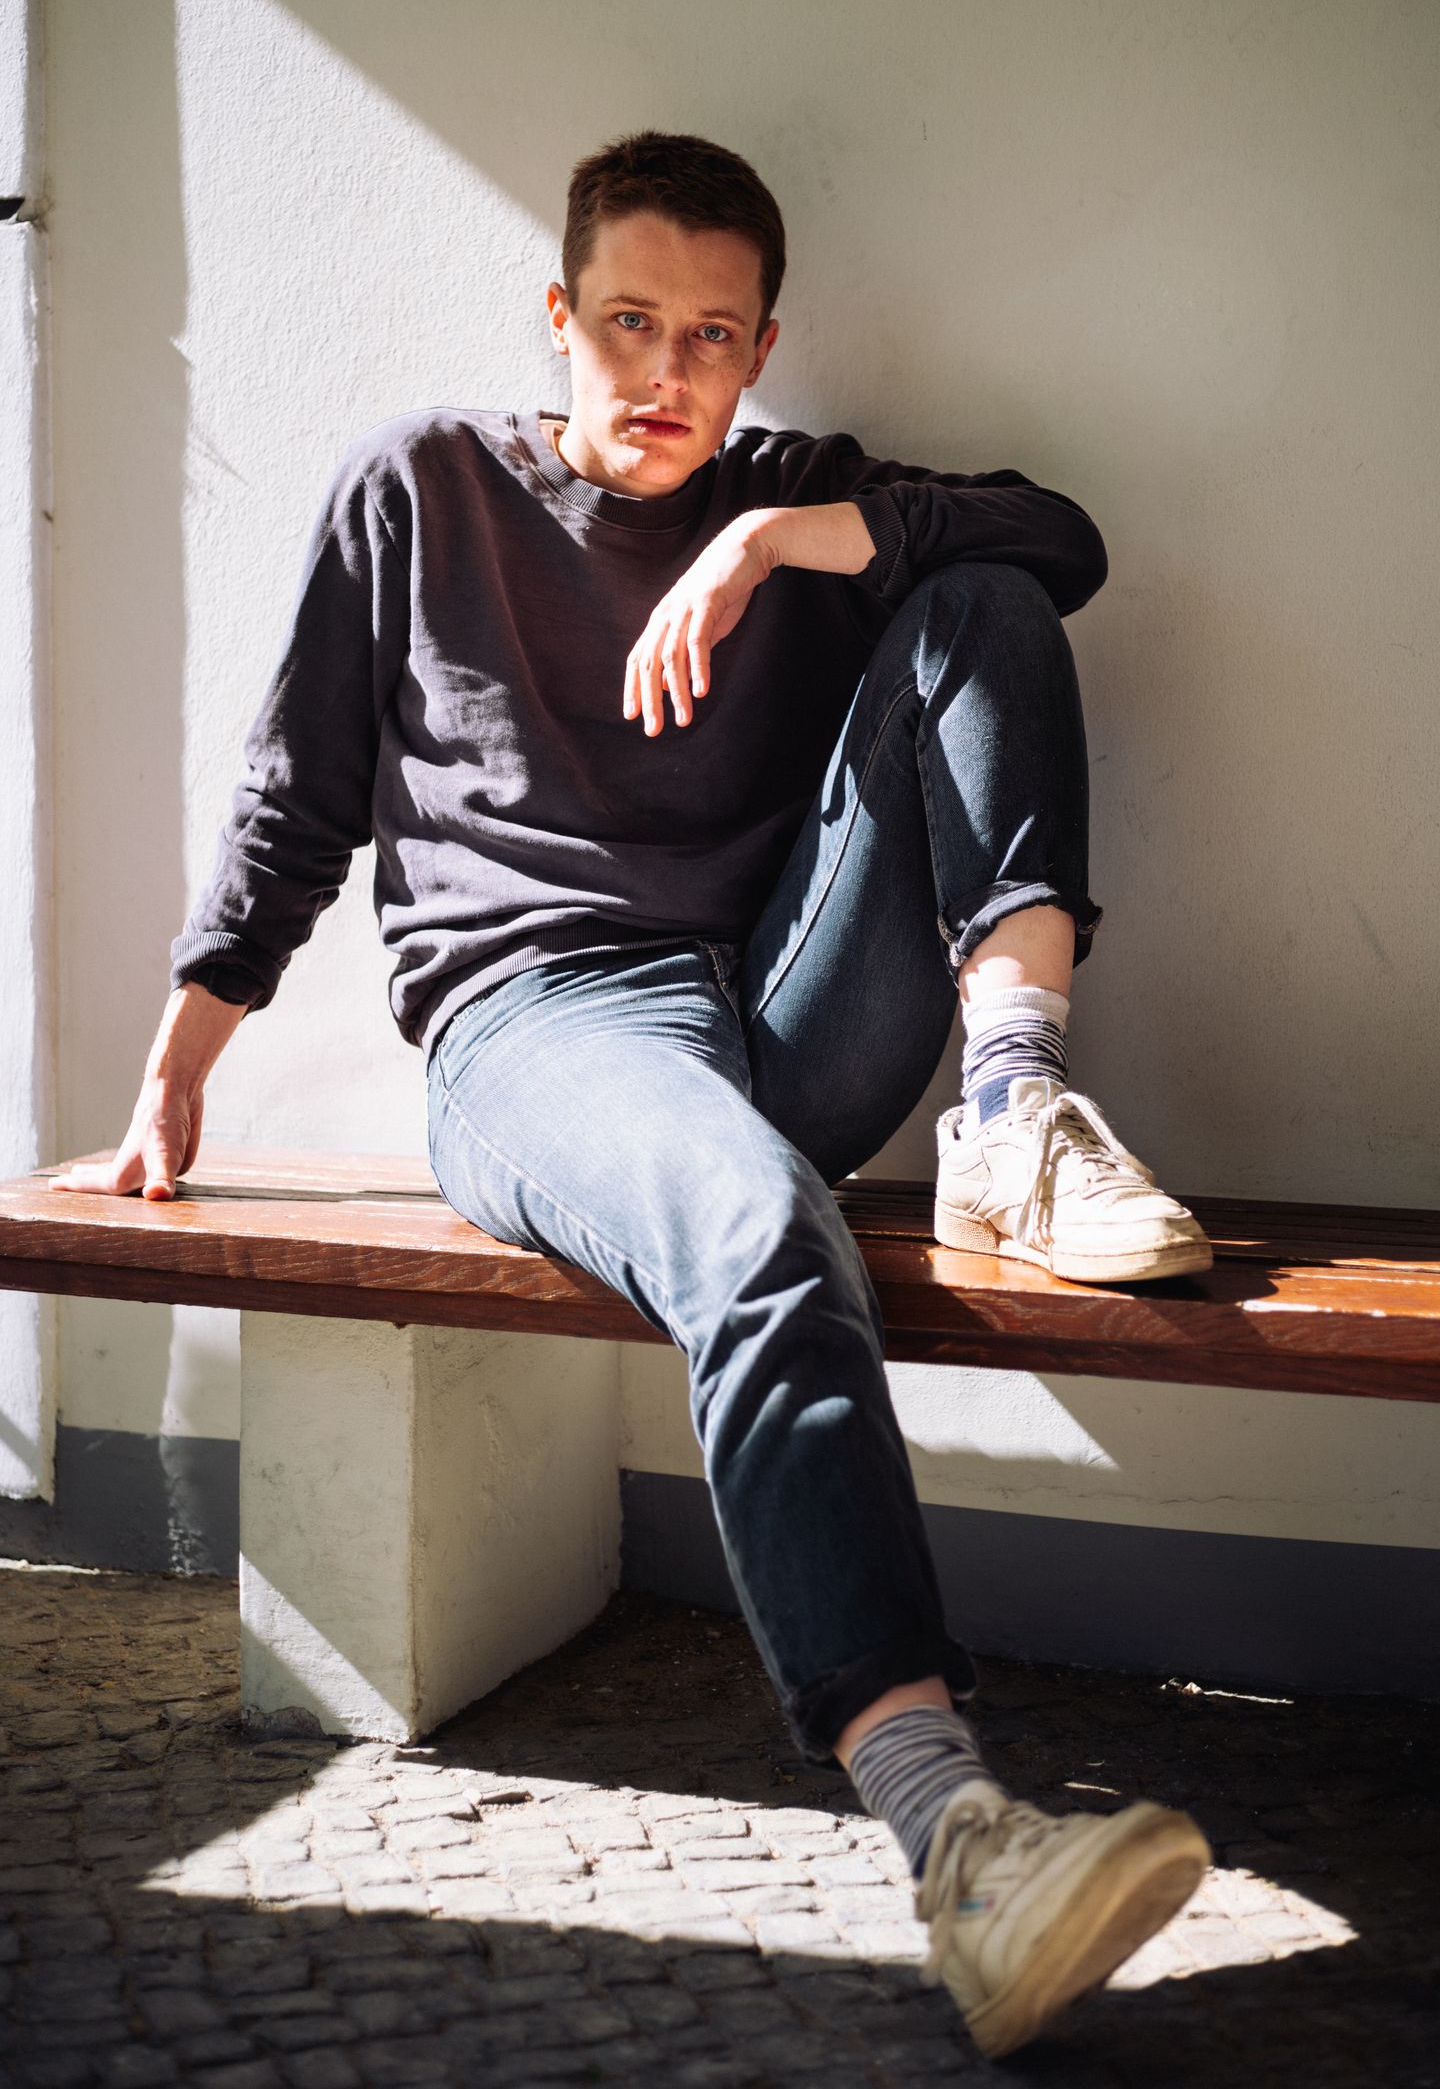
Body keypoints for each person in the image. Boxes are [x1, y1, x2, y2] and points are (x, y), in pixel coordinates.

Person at [52, 131, 1213, 2057]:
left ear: (763, 345)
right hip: (543, 1027)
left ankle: (1011, 1108)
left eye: (711, 336)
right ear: (560, 313)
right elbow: (295, 798)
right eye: (626, 323)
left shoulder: (786, 490)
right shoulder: (423, 489)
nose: (665, 372)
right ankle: (959, 1837)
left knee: (986, 598)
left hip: (782, 1008)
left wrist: (773, 544)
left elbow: (1061, 542)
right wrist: (177, 1074)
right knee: (760, 1230)